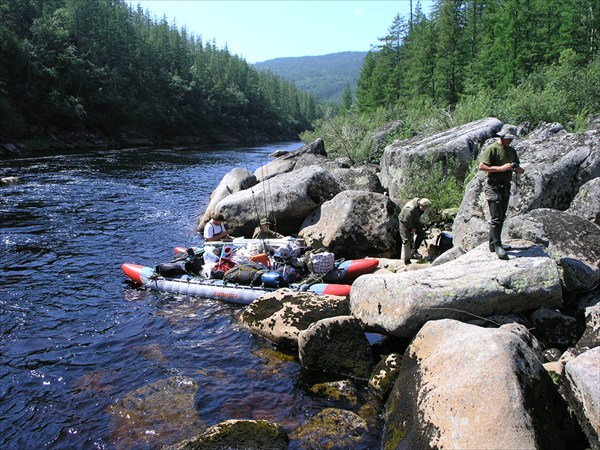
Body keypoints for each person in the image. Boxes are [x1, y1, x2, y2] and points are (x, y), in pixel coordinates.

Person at [478, 130, 525, 260]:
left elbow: (518, 167)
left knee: (501, 215)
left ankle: (493, 243)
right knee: (496, 217)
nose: (510, 141)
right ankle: (497, 245)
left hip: (505, 186)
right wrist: (500, 169)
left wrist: (517, 169)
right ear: (502, 137)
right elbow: (482, 166)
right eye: (508, 138)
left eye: (511, 139)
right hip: (493, 186)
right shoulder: (492, 149)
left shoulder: (511, 151)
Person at [398, 198, 431, 265]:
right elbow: (406, 220)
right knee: (406, 241)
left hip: (413, 220)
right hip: (404, 222)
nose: (425, 209)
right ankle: (407, 260)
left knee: (421, 233)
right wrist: (412, 228)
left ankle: (414, 251)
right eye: (425, 207)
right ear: (421, 205)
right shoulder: (410, 209)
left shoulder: (420, 207)